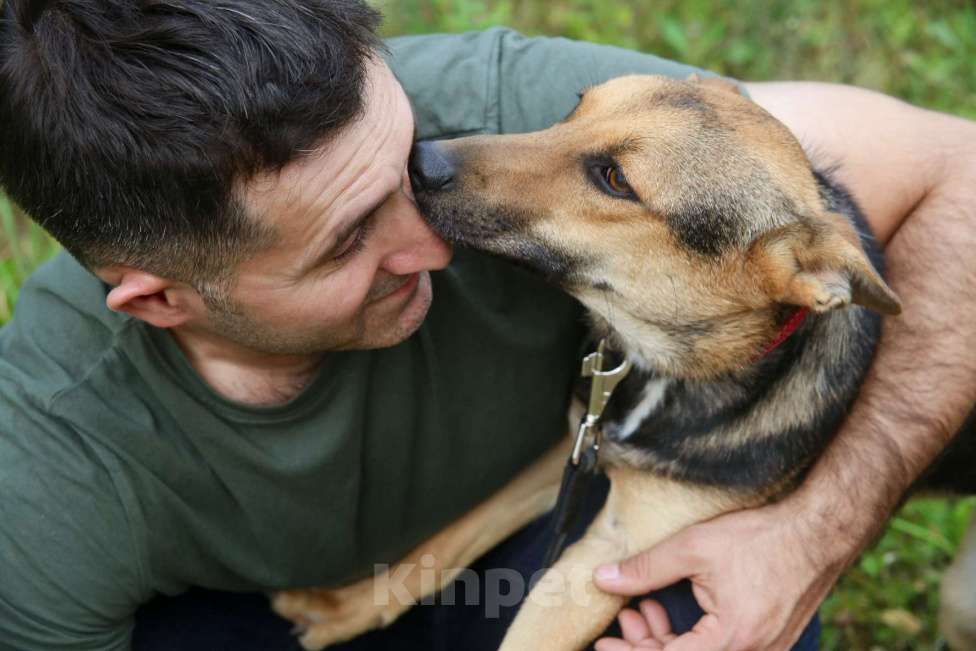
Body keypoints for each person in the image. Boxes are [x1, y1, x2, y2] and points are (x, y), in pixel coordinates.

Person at [0, 2, 973, 650]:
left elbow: (958, 172)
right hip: (250, 623)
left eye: (400, 154)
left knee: (686, 615)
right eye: (345, 243)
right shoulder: (46, 473)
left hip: (511, 576)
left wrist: (814, 532)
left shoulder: (507, 111)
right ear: (157, 300)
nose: (431, 223)